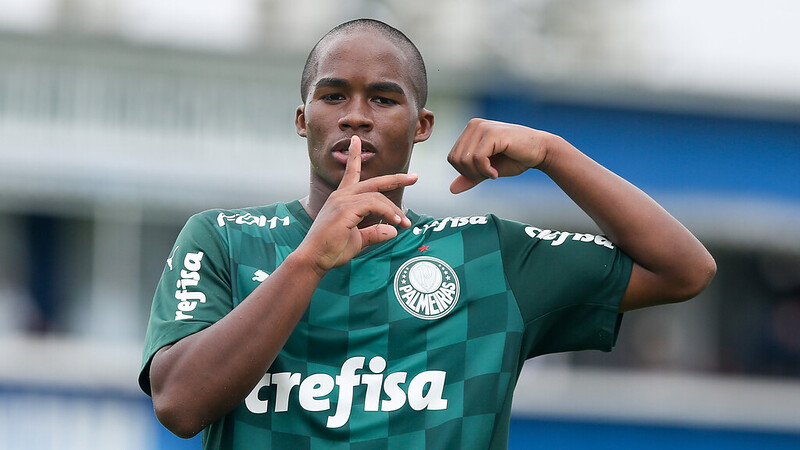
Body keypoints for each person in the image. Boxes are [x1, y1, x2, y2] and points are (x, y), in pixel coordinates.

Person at [139, 18, 716, 449]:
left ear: (422, 127)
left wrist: (553, 152)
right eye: (333, 94)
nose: (356, 115)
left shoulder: (487, 255)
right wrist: (308, 261)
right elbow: (179, 405)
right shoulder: (223, 238)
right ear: (302, 119)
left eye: (383, 99)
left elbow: (685, 270)